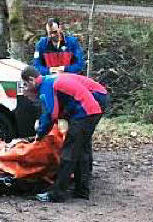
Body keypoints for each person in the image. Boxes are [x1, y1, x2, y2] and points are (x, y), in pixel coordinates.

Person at [20, 66, 107, 203]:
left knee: (69, 152)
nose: (25, 89)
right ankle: (82, 190)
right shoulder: (51, 80)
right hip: (91, 109)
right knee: (82, 149)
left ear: (31, 80)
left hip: (85, 111)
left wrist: (40, 134)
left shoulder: (46, 86)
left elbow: (50, 114)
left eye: (25, 85)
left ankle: (57, 193)